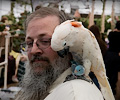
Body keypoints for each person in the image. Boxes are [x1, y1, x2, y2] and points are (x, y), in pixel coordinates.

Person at [15, 7, 104, 100]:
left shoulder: (74, 94)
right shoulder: (48, 87)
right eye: (29, 43)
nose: (33, 50)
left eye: (45, 41)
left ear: (69, 45)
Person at [104, 21, 120, 95]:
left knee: (107, 71)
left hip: (109, 54)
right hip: (116, 56)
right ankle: (112, 89)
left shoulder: (111, 34)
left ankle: (106, 87)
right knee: (114, 72)